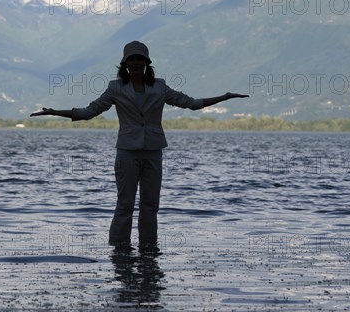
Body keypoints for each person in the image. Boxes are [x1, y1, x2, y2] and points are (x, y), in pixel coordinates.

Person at [30, 41, 248, 250]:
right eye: (131, 59)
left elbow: (192, 104)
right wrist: (53, 112)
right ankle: (119, 248)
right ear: (125, 64)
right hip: (127, 152)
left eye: (139, 59)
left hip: (153, 151)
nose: (135, 63)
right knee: (125, 205)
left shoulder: (160, 87)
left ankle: (148, 247)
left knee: (150, 206)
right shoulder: (115, 88)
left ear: (146, 63)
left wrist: (225, 97)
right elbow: (89, 112)